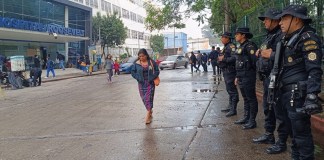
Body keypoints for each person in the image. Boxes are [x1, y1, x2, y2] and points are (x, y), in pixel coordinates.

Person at [262, 5, 323, 159]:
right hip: (285, 93)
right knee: (294, 136)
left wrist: (312, 94)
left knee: (302, 136)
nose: (280, 22)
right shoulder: (288, 39)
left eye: (284, 18)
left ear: (296, 19)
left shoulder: (307, 37)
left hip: (297, 94)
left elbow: (314, 69)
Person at [252, 8, 290, 155]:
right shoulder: (269, 37)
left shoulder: (282, 36)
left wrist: (269, 54)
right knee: (268, 108)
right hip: (268, 78)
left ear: (275, 20)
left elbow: (283, 57)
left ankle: (281, 142)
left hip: (279, 78)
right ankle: (269, 135)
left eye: (266, 19)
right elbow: (265, 53)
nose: (264, 23)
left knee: (279, 111)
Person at [233, 27, 258, 130]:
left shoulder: (250, 46)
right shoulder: (241, 46)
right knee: (246, 98)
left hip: (248, 76)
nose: (235, 36)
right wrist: (237, 76)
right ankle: (246, 117)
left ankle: (252, 121)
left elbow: (255, 62)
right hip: (241, 76)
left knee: (251, 99)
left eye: (237, 34)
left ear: (243, 35)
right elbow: (239, 63)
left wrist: (251, 74)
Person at [131, 48, 160, 124]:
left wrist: (152, 77)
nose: (141, 58)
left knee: (148, 98)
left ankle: (148, 115)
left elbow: (157, 71)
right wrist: (138, 78)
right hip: (141, 83)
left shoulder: (151, 62)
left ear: (146, 55)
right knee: (144, 98)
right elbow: (133, 72)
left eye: (143, 56)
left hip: (150, 83)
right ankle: (150, 110)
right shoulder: (136, 63)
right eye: (140, 56)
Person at [217, 32, 239, 117]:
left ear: (227, 38)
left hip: (231, 72)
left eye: (223, 37)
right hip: (226, 71)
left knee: (232, 91)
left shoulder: (231, 47)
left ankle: (233, 109)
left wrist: (224, 59)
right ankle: (230, 107)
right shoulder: (226, 47)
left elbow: (235, 58)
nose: (221, 39)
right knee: (229, 90)